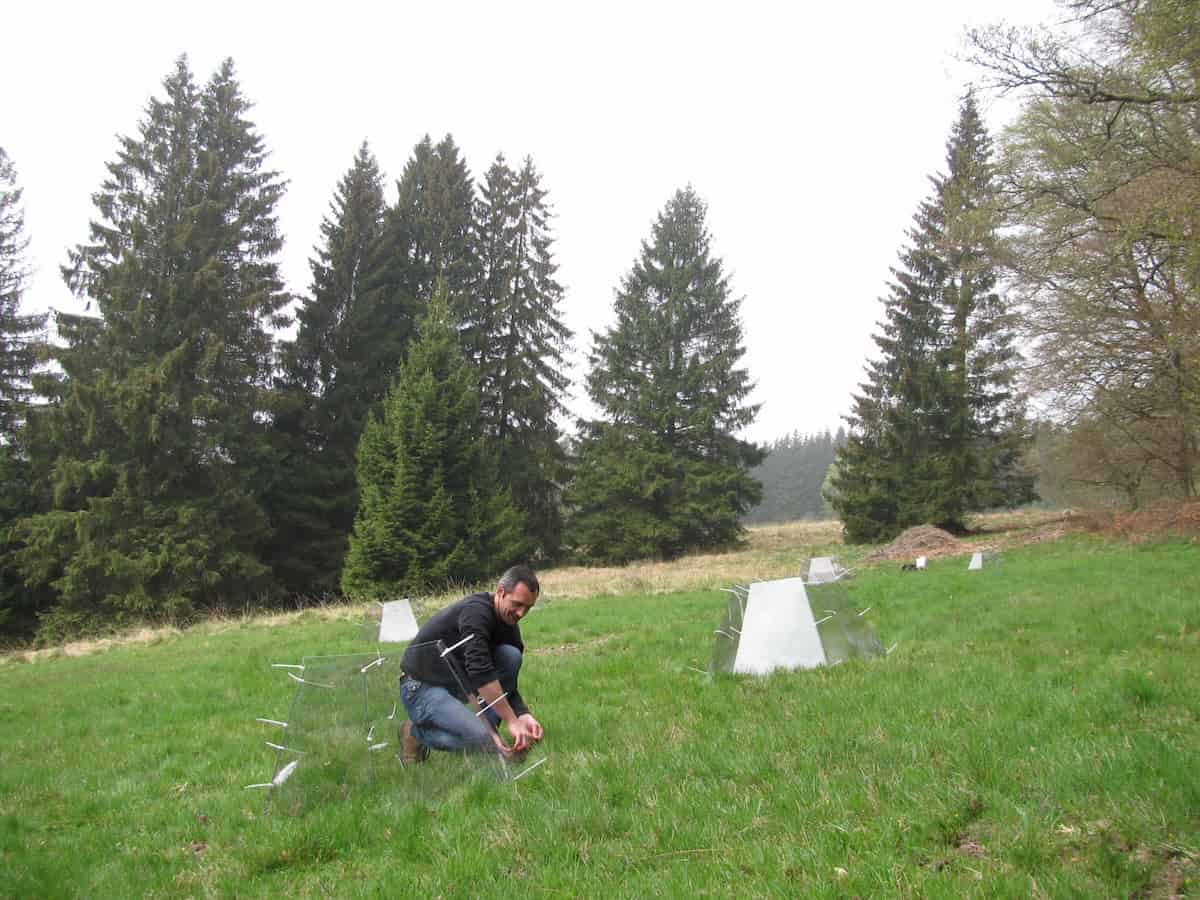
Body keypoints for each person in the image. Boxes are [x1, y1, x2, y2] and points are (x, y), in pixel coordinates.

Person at [399, 564, 544, 762]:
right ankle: (416, 733)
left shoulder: (508, 624)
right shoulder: (476, 613)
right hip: (421, 687)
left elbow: (504, 680)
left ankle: (491, 740)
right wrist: (511, 720)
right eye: (517, 604)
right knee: (481, 739)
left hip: (457, 685)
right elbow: (480, 671)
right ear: (500, 592)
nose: (521, 613)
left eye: (528, 608)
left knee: (511, 656)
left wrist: (522, 714)